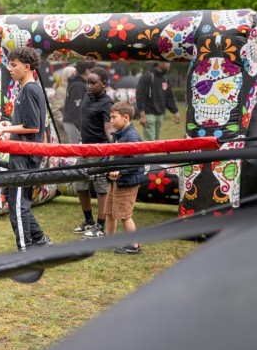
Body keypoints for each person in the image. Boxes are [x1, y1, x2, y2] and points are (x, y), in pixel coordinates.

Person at [0, 47, 51, 251]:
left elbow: (33, 126)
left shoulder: (30, 89)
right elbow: (27, 125)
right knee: (12, 197)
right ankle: (39, 239)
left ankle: (25, 249)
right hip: (21, 154)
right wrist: (10, 131)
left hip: (25, 156)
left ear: (27, 67)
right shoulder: (27, 89)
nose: (10, 69)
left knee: (18, 205)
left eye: (14, 65)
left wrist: (2, 129)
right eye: (9, 65)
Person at [74, 67, 114, 238]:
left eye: (93, 83)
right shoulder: (88, 95)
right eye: (87, 82)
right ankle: (88, 221)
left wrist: (113, 148)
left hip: (99, 151)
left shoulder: (107, 103)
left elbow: (109, 128)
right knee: (80, 184)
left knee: (101, 188)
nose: (89, 86)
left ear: (104, 83)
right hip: (84, 148)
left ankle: (101, 226)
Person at [104, 102, 145, 254]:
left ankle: (134, 246)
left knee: (124, 215)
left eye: (114, 117)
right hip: (115, 181)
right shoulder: (118, 134)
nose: (111, 121)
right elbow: (111, 155)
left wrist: (120, 171)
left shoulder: (132, 137)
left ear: (126, 117)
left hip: (127, 182)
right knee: (109, 212)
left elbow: (136, 162)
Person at [135, 61, 179, 141]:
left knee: (156, 140)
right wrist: (142, 115)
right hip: (148, 114)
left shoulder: (165, 78)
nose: (169, 64)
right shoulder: (148, 76)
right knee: (150, 141)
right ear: (159, 62)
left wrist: (175, 111)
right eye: (167, 62)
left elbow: (169, 97)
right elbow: (140, 96)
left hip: (160, 115)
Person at [61, 61, 93, 145]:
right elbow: (77, 109)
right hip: (74, 125)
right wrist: (82, 129)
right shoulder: (78, 86)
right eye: (92, 70)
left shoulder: (79, 83)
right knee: (75, 151)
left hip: (75, 123)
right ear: (87, 71)